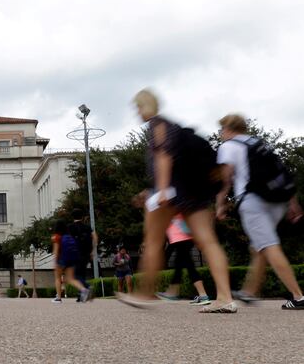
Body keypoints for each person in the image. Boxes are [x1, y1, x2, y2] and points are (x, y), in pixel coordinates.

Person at [119, 89, 236, 313]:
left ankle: (145, 293)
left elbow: (164, 155)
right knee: (208, 242)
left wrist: (161, 190)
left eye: (137, 107)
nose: (137, 112)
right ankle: (225, 298)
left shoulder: (158, 124)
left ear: (145, 106)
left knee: (153, 241)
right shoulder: (175, 127)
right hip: (194, 192)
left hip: (172, 191)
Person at [216, 114, 304, 310]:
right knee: (258, 247)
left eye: (222, 129)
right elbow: (280, 172)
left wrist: (221, 203)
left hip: (253, 201)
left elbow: (226, 179)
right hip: (277, 202)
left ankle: (299, 297)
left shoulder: (229, 146)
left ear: (229, 129)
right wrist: (292, 202)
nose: (221, 133)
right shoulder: (259, 144)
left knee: (269, 246)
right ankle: (250, 291)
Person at [155, 215, 211, 305]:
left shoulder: (173, 202)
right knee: (182, 265)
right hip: (181, 235)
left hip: (181, 235)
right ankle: (200, 295)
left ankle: (201, 295)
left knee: (187, 266)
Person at [52, 219, 90, 303]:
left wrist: (55, 262)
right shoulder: (69, 236)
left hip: (61, 260)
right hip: (71, 259)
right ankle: (83, 289)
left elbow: (56, 251)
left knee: (58, 278)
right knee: (70, 279)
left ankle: (58, 298)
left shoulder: (57, 236)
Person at [69, 210, 98, 299]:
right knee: (82, 274)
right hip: (86, 254)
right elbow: (95, 237)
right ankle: (81, 295)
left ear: (72, 217)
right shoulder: (87, 227)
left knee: (74, 275)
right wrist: (93, 251)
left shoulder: (70, 227)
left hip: (75, 254)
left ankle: (87, 287)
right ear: (82, 217)